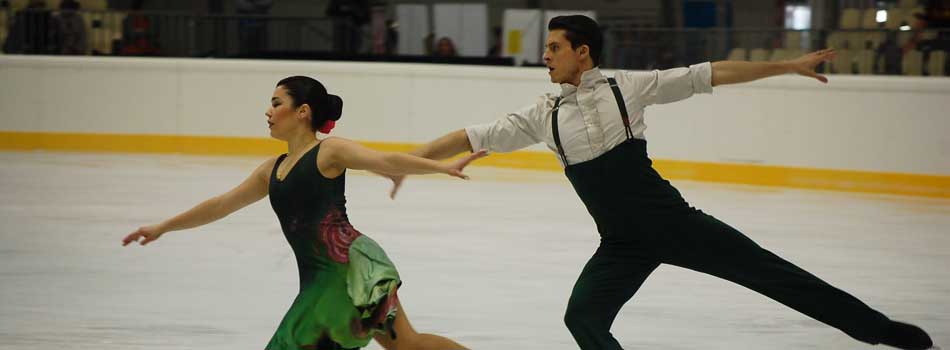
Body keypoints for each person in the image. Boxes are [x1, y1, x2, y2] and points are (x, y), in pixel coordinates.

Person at [384, 15, 937, 350]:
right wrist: (405, 161)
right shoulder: (542, 114)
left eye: (554, 47)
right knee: (582, 318)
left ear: (582, 51)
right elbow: (468, 134)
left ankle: (876, 328)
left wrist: (785, 66)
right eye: (546, 48)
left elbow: (710, 74)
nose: (544, 56)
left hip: (676, 225)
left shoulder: (631, 87)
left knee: (772, 274)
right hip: (620, 244)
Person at [121, 76, 477, 350]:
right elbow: (221, 204)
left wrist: (441, 167)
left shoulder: (329, 152)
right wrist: (164, 226)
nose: (268, 111)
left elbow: (384, 160)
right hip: (327, 274)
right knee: (408, 345)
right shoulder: (271, 170)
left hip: (345, 270)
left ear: (302, 111)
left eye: (277, 103)